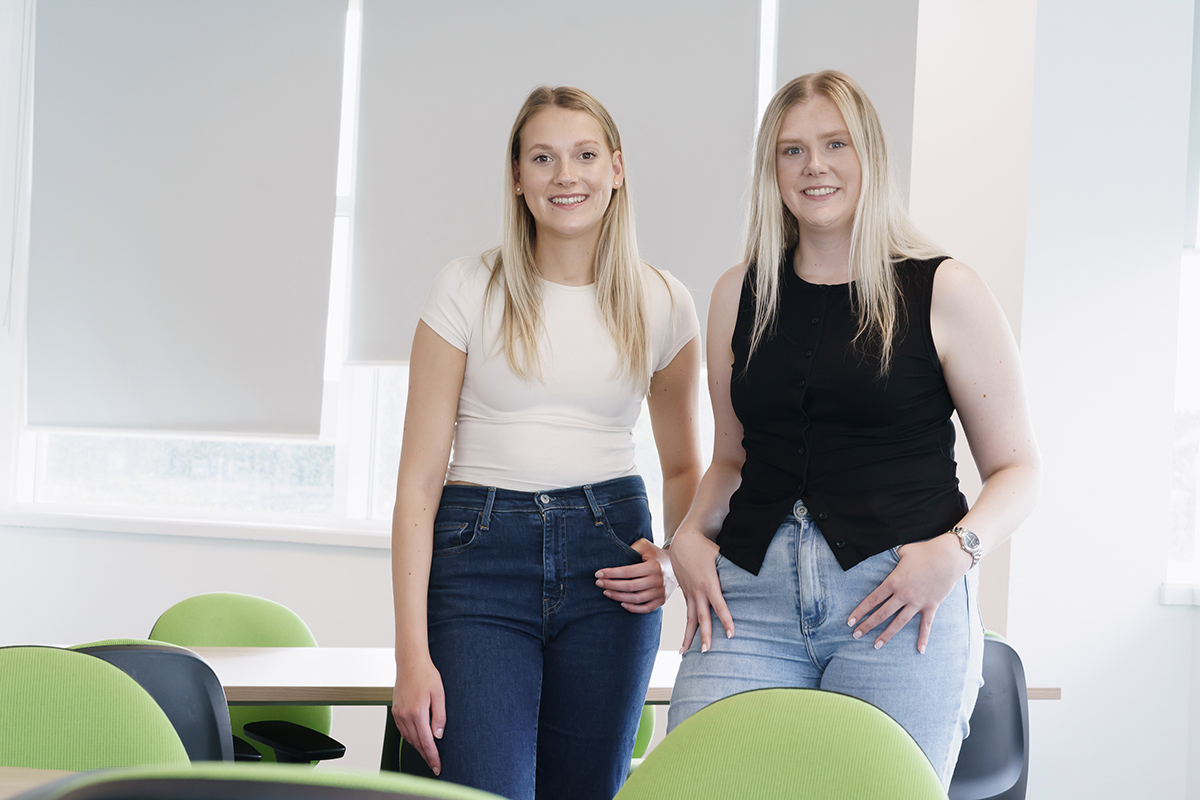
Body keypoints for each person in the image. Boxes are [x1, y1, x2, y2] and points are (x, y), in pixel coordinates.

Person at [666, 70, 1041, 785]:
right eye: (792, 150)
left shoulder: (943, 289)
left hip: (899, 599)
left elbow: (1020, 470)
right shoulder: (738, 294)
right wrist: (688, 534)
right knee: (695, 780)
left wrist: (956, 553)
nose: (815, 167)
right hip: (753, 602)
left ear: (869, 154)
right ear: (771, 171)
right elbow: (732, 460)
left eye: (835, 143)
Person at [389, 85, 702, 800]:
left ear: (616, 168)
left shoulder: (663, 300)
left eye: (585, 155)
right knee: (483, 788)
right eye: (544, 158)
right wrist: (411, 652)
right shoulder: (467, 287)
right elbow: (417, 483)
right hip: (477, 566)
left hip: (610, 563)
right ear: (518, 178)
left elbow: (686, 466)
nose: (567, 175)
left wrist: (675, 561)